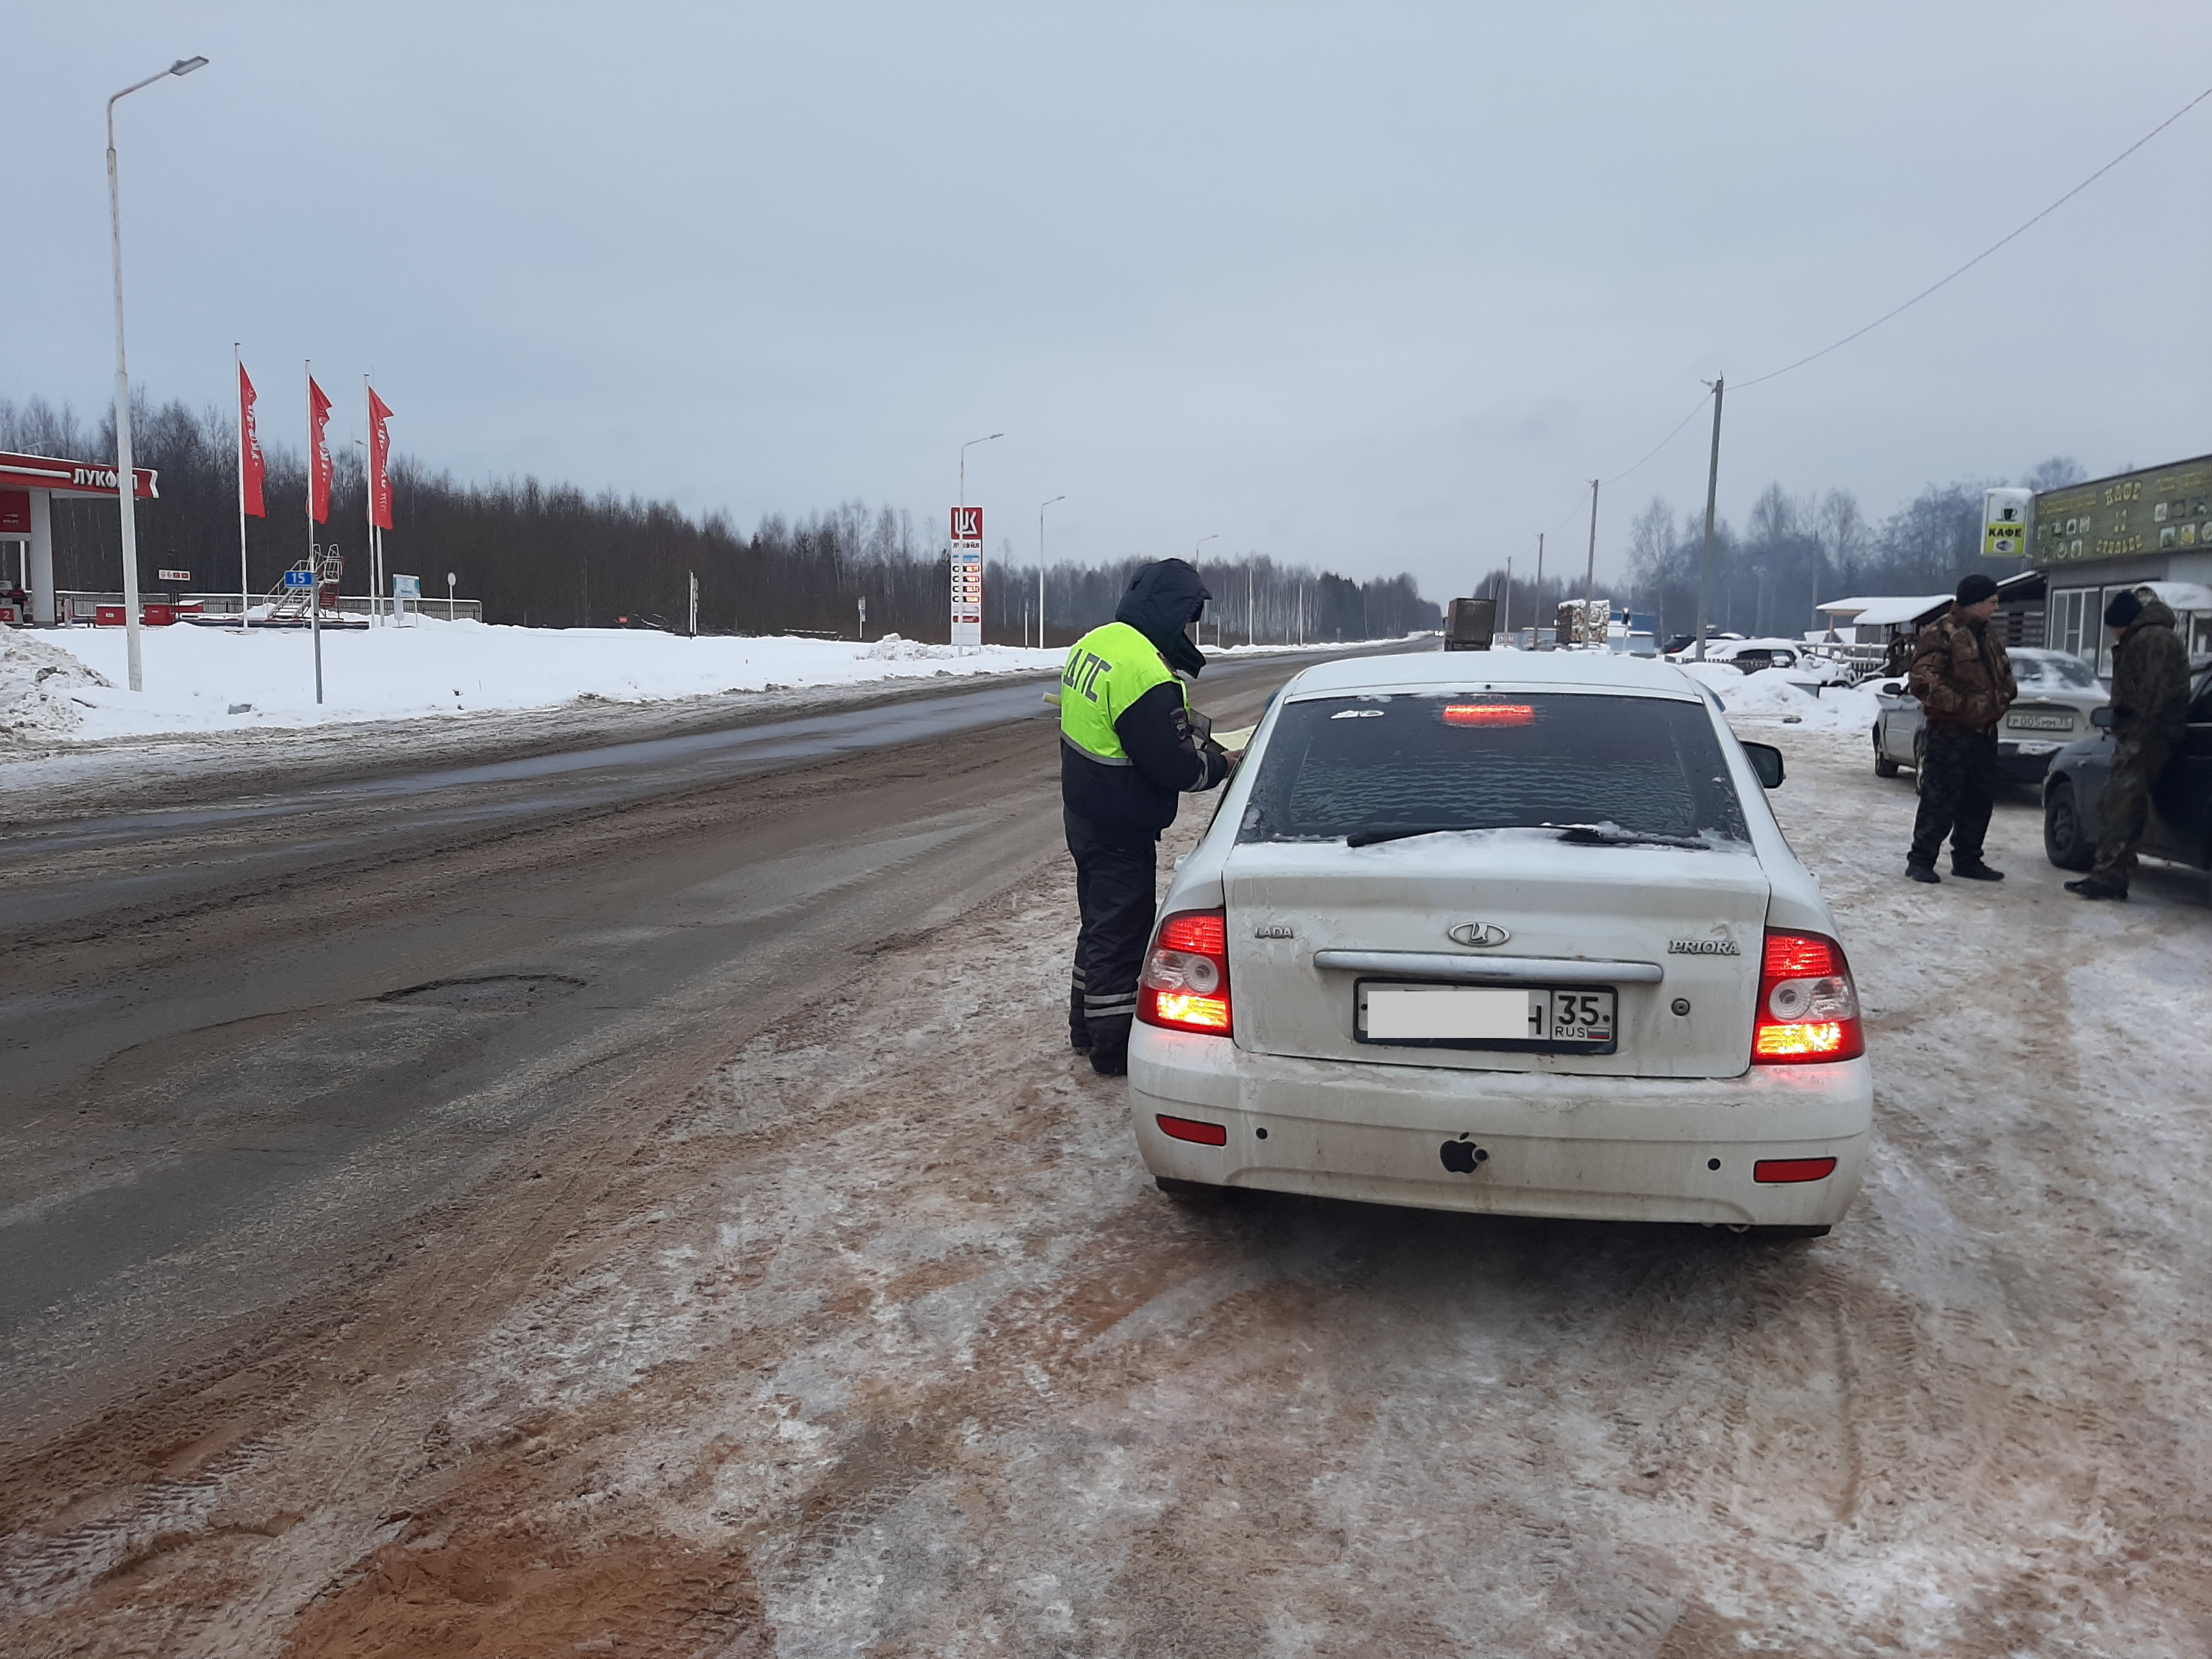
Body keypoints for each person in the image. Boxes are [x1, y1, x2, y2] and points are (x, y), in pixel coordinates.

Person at [1060, 559, 1234, 1076]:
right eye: (1186, 619)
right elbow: (1173, 766)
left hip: (1085, 816)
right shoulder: (1146, 673)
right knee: (1122, 931)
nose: (1187, 633)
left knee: (1098, 924)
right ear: (1169, 611)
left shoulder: (1097, 644)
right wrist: (1220, 765)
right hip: (1121, 825)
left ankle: (1083, 1025)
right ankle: (1111, 1049)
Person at [2067, 589, 2192, 900]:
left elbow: (2154, 694)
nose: (2114, 635)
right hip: (2145, 732)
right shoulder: (2149, 637)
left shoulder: (2152, 640)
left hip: (2148, 734)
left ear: (2123, 623)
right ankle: (2110, 870)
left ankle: (2109, 877)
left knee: (2122, 802)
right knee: (2120, 801)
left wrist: (2138, 734)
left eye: (2114, 629)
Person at [1905, 572, 2017, 883]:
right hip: (1950, 733)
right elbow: (1923, 680)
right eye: (1992, 602)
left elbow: (2003, 673)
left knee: (1979, 800)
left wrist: (2004, 696)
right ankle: (1921, 860)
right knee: (1940, 798)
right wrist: (1963, 707)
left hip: (1984, 734)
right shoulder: (1941, 633)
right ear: (1974, 603)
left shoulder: (1988, 635)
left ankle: (1968, 859)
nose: (1997, 608)